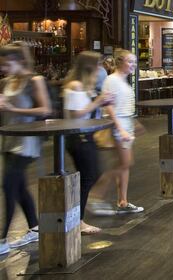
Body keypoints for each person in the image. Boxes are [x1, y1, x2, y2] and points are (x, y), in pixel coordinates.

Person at [0, 43, 51, 254]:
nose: (3, 68)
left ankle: (2, 240)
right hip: (9, 140)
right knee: (19, 188)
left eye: (6, 64)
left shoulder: (34, 80)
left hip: (27, 141)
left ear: (19, 61)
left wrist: (14, 107)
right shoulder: (5, 82)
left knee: (8, 185)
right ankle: (35, 227)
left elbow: (45, 109)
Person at [62, 51, 113, 235]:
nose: (101, 68)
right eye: (98, 65)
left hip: (86, 136)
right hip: (79, 138)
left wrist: (100, 102)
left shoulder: (83, 85)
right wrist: (98, 101)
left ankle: (77, 217)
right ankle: (78, 220)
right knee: (87, 177)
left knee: (91, 175)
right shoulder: (75, 85)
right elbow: (76, 114)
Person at [101, 49, 144, 214]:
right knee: (125, 163)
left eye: (134, 62)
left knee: (124, 166)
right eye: (129, 61)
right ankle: (96, 195)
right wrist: (119, 128)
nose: (133, 65)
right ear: (120, 62)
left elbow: (123, 106)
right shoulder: (111, 80)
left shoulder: (123, 81)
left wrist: (134, 123)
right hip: (118, 126)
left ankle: (123, 201)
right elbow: (109, 106)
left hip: (126, 125)